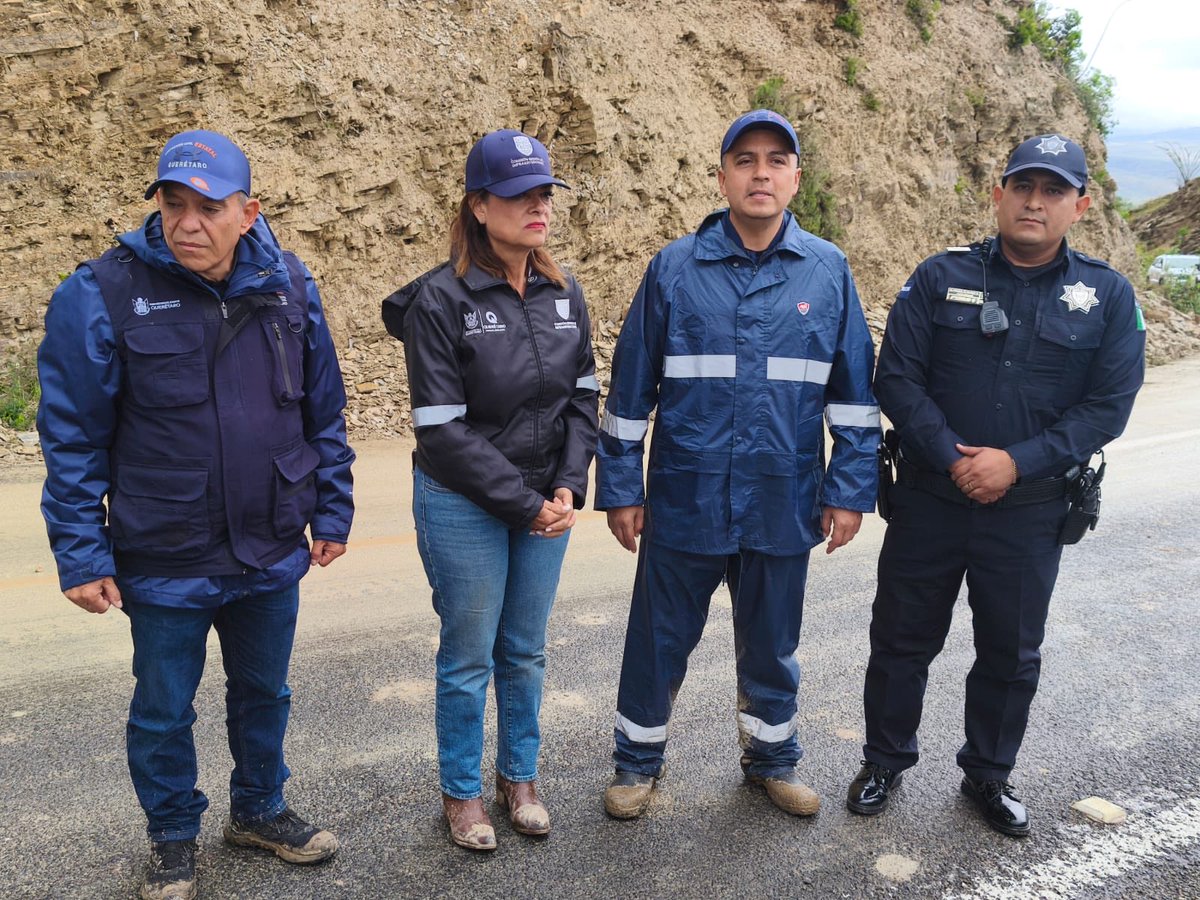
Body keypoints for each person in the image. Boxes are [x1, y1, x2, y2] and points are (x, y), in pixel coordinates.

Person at [37, 130, 355, 899]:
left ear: (248, 212)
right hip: (165, 548)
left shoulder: (290, 285)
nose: (188, 223)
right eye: (173, 204)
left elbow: (324, 412)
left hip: (269, 544)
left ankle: (259, 810)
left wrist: (333, 509)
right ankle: (173, 835)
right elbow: (72, 435)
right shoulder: (103, 292)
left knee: (265, 693)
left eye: (208, 208)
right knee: (161, 709)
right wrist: (82, 551)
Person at [846, 133, 1146, 837]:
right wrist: (954, 456)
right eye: (1023, 187)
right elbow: (896, 376)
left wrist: (1018, 461)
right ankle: (884, 760)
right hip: (929, 499)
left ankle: (988, 773)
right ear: (998, 194)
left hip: (1030, 511)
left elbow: (1109, 405)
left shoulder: (1105, 295)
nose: (1034, 202)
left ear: (1081, 204)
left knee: (1011, 653)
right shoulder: (936, 275)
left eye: (1053, 191)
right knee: (900, 639)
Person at [595, 109, 880, 819]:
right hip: (685, 497)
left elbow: (853, 399)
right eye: (745, 159)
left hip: (783, 498)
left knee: (773, 648)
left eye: (776, 160)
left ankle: (772, 762)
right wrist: (622, 488)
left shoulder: (827, 270)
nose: (761, 172)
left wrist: (848, 491)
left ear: (795, 178)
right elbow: (630, 392)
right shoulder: (674, 269)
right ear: (721, 175)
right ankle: (636, 766)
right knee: (657, 645)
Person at [381, 129, 599, 851]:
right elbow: (441, 431)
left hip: (541, 500)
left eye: (544, 193)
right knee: (471, 652)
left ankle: (521, 780)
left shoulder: (564, 295)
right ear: (478, 206)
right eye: (517, 195)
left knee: (526, 649)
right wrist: (526, 503)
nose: (536, 206)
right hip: (463, 502)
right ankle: (463, 796)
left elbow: (582, 397)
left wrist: (568, 484)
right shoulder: (438, 301)